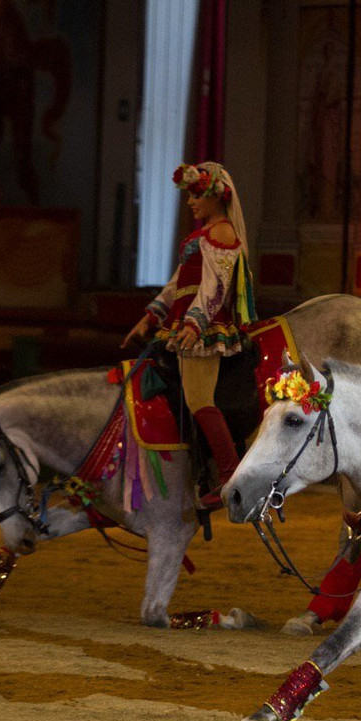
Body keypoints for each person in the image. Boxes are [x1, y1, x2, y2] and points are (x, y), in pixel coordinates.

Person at [122, 161, 256, 509]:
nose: (191, 202)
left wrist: (195, 323)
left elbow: (216, 287)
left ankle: (229, 476)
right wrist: (152, 316)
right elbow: (178, 283)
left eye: (197, 195)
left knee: (199, 400)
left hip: (205, 328)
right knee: (188, 399)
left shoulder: (222, 233)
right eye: (190, 196)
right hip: (187, 326)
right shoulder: (203, 235)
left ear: (215, 196)